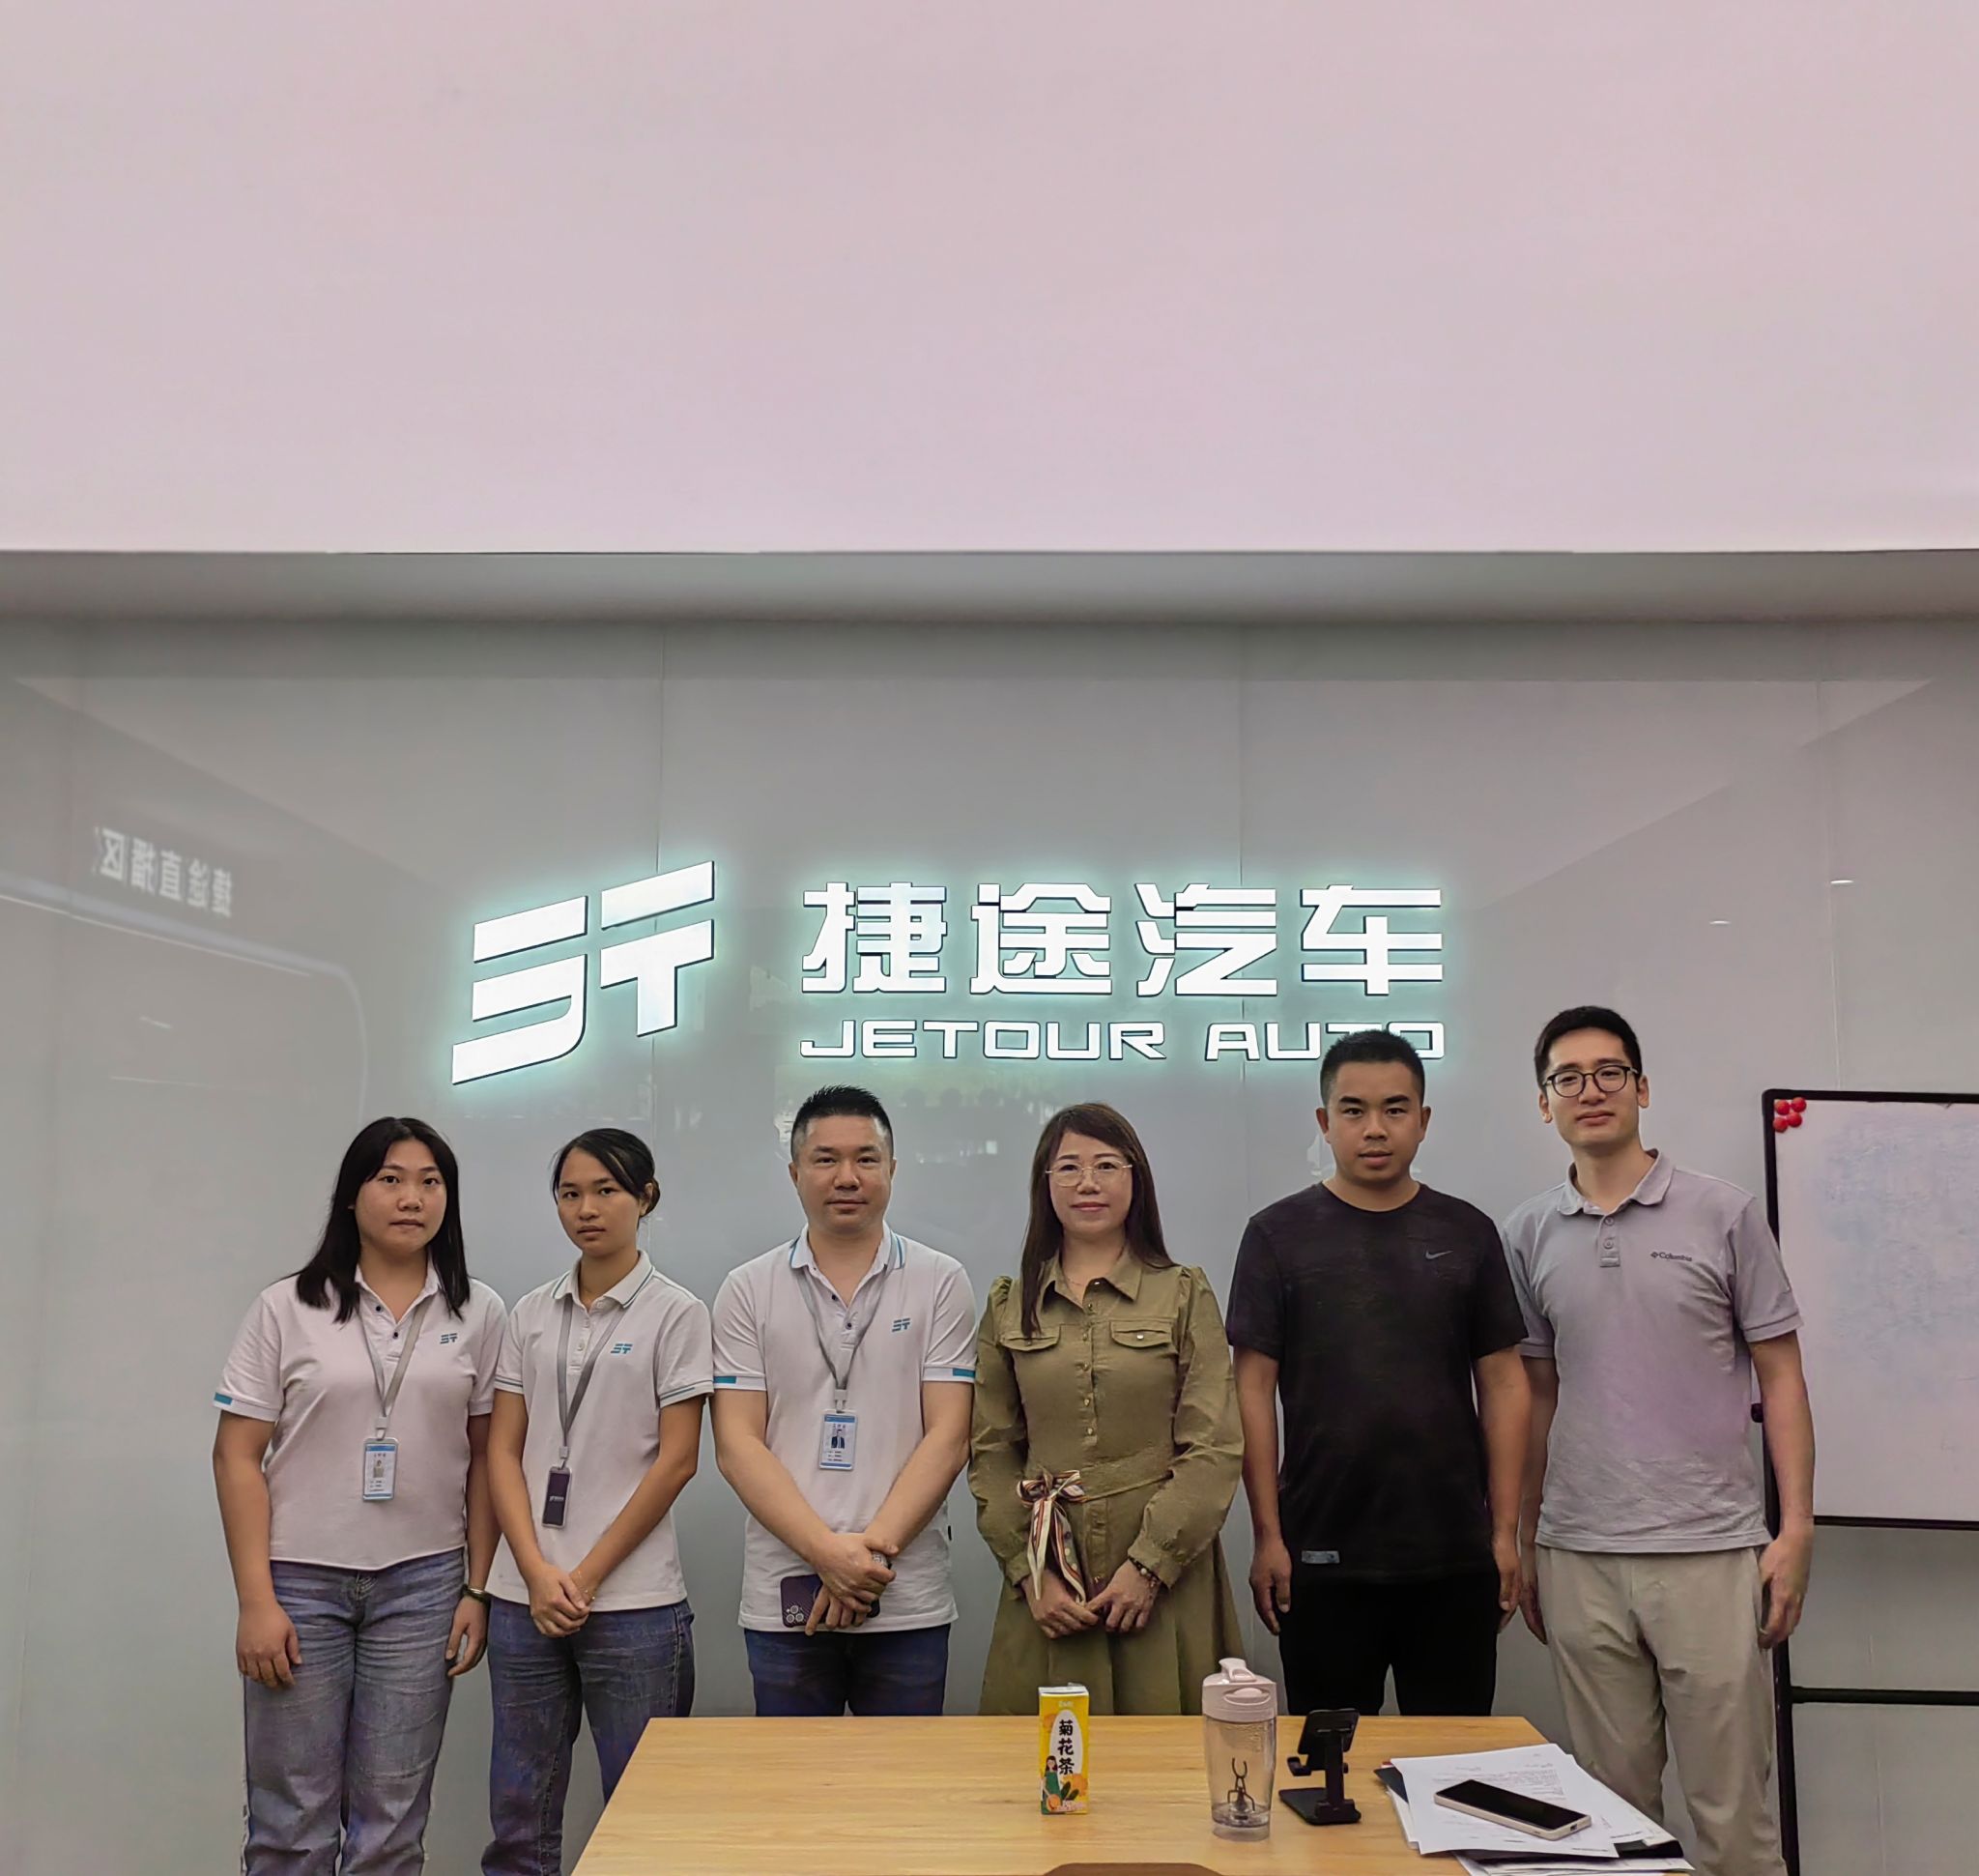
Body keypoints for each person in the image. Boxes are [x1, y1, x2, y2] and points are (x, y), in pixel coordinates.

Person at [1504, 1007, 1814, 1876]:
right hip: (1580, 1553)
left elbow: (1783, 1377)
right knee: (1613, 1819)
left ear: (1641, 1087)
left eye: (1609, 1072)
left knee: (1733, 1814)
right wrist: (1527, 1535)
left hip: (1710, 1549)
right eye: (1568, 1077)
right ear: (1544, 1103)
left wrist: (1795, 1529)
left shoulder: (1723, 1211)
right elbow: (1536, 1393)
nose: (1590, 1090)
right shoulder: (1527, 1232)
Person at [214, 1116, 504, 1875]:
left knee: (393, 1819)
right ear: (352, 1195)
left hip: (424, 1582)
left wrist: (477, 1586)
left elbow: (487, 1458)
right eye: (390, 1179)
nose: (412, 1198)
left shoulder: (478, 1310)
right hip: (299, 1583)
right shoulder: (287, 1306)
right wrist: (256, 1599)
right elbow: (236, 1455)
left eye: (430, 1181)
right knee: (291, 1818)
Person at [1227, 1030, 1531, 1717]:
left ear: (1423, 1120)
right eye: (1354, 1110)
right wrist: (1268, 1535)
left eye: (1395, 1109)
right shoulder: (1276, 1235)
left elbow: (1506, 1384)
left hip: (1454, 1554)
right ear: (1324, 1121)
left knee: (1454, 1765)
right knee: (1331, 1767)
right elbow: (1251, 1390)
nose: (1375, 1128)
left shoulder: (1467, 1232)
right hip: (1320, 1555)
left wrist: (1504, 1531)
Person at [480, 1127, 711, 1875]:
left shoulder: (677, 1313)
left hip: (633, 1603)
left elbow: (677, 1461)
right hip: (524, 1597)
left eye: (607, 1190)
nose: (587, 1208)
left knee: (643, 1815)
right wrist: (536, 1571)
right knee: (520, 1812)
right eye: (571, 1193)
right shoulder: (529, 1313)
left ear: (646, 1198)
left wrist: (583, 1577)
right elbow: (501, 1452)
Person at [711, 1085, 977, 1716]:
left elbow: (949, 1436)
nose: (847, 1177)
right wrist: (827, 1554)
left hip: (905, 1596)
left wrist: (866, 1558)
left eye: (866, 1158)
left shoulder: (940, 1280)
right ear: (795, 1172)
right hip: (787, 1596)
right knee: (795, 1780)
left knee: (902, 1781)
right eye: (826, 1159)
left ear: (893, 1169)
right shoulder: (748, 1288)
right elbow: (737, 1444)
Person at [970, 1102, 1243, 1714]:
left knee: (1162, 1752)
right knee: (1047, 1755)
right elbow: (991, 1451)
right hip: (1048, 1574)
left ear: (1134, 1179)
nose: (1087, 1183)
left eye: (1106, 1165)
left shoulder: (1182, 1292)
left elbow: (1214, 1446)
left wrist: (1149, 1565)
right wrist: (1030, 1572)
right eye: (1068, 1167)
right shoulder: (1011, 1304)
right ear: (1045, 1185)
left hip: (1165, 1569)